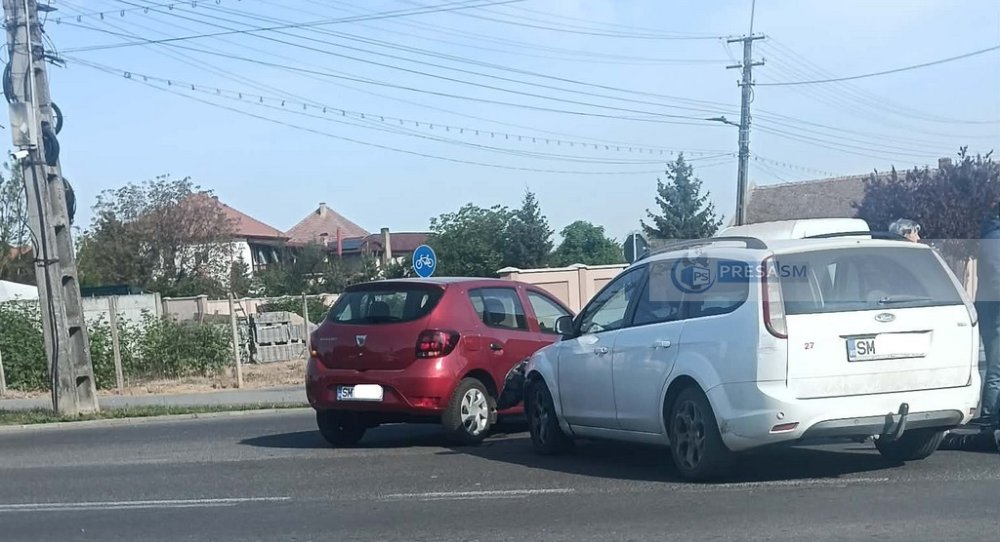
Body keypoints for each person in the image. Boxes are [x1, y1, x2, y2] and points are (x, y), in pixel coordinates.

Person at [973, 204, 1000, 428]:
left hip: (992, 308)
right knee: (997, 367)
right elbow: (995, 277)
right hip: (995, 311)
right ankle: (990, 417)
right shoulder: (994, 238)